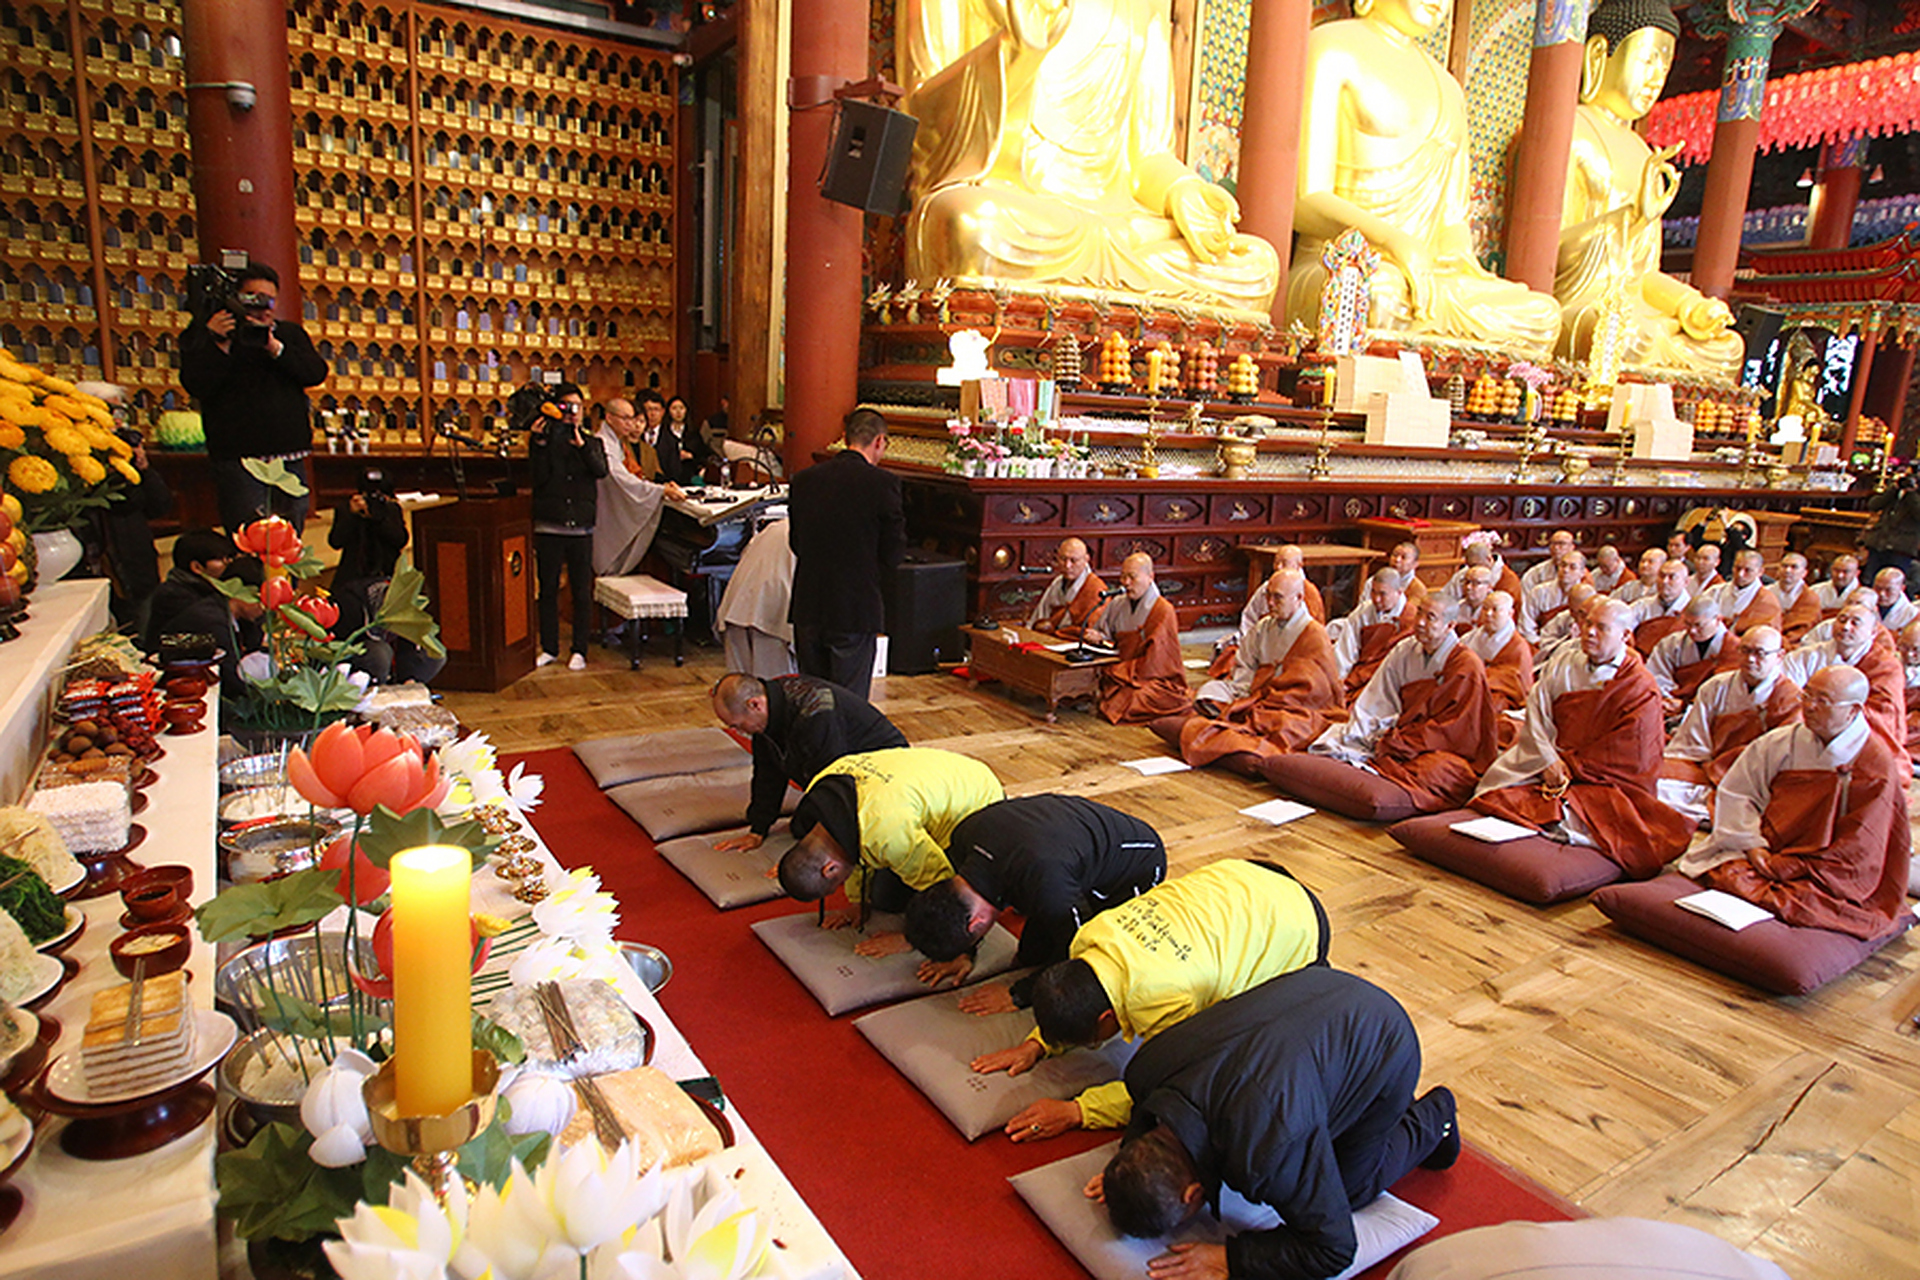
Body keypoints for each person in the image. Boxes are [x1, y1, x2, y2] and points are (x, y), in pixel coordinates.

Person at [899, 0, 1280, 312]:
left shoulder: (1142, 7)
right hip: (1015, 205)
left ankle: (1118, 247)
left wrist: (1182, 190)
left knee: (1256, 264)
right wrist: (1016, 52)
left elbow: (1148, 154)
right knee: (974, 225)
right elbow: (922, 124)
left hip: (1116, 220)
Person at [1093, 968, 1458, 1280]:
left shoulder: (1268, 1149)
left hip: (1385, 1040)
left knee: (1349, 1189)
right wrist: (1130, 1171)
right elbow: (1145, 1117)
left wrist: (1231, 1260)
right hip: (1316, 993)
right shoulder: (1145, 1070)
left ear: (1193, 1195)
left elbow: (1334, 1248)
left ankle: (1435, 1116)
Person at [970, 859, 1330, 1141]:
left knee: (1243, 1043)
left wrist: (1078, 1112)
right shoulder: (1089, 939)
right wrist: (1037, 1044)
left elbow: (1166, 1087)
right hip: (1243, 874)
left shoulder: (1168, 999)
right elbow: (1074, 989)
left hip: (1298, 922)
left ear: (1106, 1017)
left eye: (1091, 1041)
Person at [1289, 0, 1560, 352]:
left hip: (1426, 276)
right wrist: (1393, 243)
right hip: (1343, 263)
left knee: (1542, 315)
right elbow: (1304, 201)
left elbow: (1452, 221)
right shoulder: (1332, 48)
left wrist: (1459, 255)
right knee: (1374, 295)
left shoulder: (1449, 89)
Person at [1553, 0, 1742, 378]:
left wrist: (1691, 305)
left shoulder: (1645, 154)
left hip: (1632, 310)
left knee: (1727, 349)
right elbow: (1548, 253)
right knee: (1621, 337)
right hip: (1579, 304)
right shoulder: (1565, 131)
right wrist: (1632, 217)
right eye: (1647, 60)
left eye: (1665, 65)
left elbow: (1641, 275)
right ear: (1598, 55)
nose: (1656, 77)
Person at [1677, 666, 1910, 939]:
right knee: (1726, 872)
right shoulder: (1783, 741)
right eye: (1807, 695)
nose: (1808, 707)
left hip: (1826, 867)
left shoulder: (1875, 763)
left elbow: (1863, 845)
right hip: (1767, 848)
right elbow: (1737, 793)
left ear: (1853, 710)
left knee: (1816, 903)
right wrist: (1753, 846)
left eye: (1822, 700)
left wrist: (1794, 866)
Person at [1469, 599, 1693, 877]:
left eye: (1601, 627)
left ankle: (1561, 826)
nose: (1589, 632)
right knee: (1491, 788)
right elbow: (1537, 713)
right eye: (1587, 623)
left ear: (1625, 635)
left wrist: (1569, 767)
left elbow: (1631, 755)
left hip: (1603, 779)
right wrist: (1548, 760)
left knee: (1593, 818)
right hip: (1548, 759)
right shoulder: (1565, 660)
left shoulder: (1638, 686)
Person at [902, 795, 1167, 1007]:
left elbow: (1078, 949)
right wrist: (965, 953)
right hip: (1059, 846)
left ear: (976, 923)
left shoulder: (1048, 886)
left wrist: (1018, 995)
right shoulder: (964, 839)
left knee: (1090, 955)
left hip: (1137, 862)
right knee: (1031, 955)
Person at [776, 747, 1003, 942]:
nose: (841, 886)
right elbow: (850, 843)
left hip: (979, 800)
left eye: (837, 884)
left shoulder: (887, 833)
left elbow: (944, 889)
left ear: (830, 869)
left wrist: (911, 939)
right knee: (884, 898)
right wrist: (858, 901)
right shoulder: (820, 789)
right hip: (942, 773)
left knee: (894, 898)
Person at [178, 261, 330, 534]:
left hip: (289, 457)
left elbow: (315, 372)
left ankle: (287, 581)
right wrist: (218, 342)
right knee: (249, 537)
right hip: (240, 462)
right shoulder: (204, 336)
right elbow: (197, 384)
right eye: (253, 299)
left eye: (269, 300)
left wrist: (274, 347)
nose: (263, 308)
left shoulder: (288, 334)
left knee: (290, 539)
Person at [1308, 595, 1496, 812]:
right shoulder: (1405, 649)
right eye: (1419, 613)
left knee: (1439, 772)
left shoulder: (1465, 665)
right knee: (1335, 737)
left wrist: (1405, 741)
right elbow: (1379, 696)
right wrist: (1378, 730)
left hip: (1443, 746)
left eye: (1431, 617)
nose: (1420, 622)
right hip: (1402, 734)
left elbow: (1458, 728)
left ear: (1450, 625)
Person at [710, 672, 908, 852]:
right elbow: (768, 772)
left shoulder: (815, 713)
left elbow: (833, 782)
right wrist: (758, 829)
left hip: (886, 775)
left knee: (807, 828)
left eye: (737, 725)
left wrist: (811, 855)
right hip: (840, 765)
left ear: (755, 704)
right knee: (802, 824)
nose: (739, 732)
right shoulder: (767, 708)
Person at [786, 407, 905, 701]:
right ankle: (846, 749)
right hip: (855, 607)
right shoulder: (882, 484)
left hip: (809, 603)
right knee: (849, 702)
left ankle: (815, 747)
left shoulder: (804, 480)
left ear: (845, 437)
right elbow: (893, 554)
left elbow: (796, 543)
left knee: (813, 699)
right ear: (879, 441)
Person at [1175, 568, 1345, 767]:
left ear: (1298, 598)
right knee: (1208, 692)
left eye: (1278, 598)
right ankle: (1242, 716)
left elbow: (1317, 691)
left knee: (1286, 726)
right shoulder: (1265, 626)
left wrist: (1274, 695)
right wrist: (1247, 691)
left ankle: (1244, 726)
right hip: (1255, 692)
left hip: (1291, 705)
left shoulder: (1313, 634)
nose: (1270, 603)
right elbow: (1245, 662)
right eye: (1268, 596)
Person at [1657, 626, 1800, 825]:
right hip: (1708, 765)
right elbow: (1694, 738)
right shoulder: (1716, 686)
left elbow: (1779, 757)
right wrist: (1707, 766)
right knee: (1651, 782)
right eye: (1745, 651)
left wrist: (1727, 768)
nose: (1750, 659)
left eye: (1759, 653)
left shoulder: (1790, 698)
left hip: (1750, 777)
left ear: (1779, 656)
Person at [528, 383, 607, 670]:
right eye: (565, 407)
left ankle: (579, 649)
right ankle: (549, 647)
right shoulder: (544, 443)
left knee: (581, 591)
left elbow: (601, 471)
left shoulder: (592, 443)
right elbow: (537, 479)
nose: (571, 413)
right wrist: (539, 444)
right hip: (550, 525)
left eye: (577, 407)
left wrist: (582, 446)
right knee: (547, 589)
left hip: (582, 527)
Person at [1782, 600, 1908, 771]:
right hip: (1805, 723)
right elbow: (1784, 691)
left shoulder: (1885, 665)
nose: (1846, 627)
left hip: (1855, 735)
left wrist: (1831, 713)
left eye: (1855, 623)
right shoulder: (1808, 656)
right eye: (1841, 620)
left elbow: (1883, 711)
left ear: (1872, 633)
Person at [1090, 552, 1193, 725]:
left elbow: (1158, 664)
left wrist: (1122, 671)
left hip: (1153, 679)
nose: (1126, 583)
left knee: (1136, 698)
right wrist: (1098, 638)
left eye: (1132, 577)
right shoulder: (1117, 603)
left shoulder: (1162, 610)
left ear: (1150, 577)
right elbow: (1107, 635)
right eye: (1123, 577)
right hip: (1124, 672)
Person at [591, 396, 686, 578]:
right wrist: (660, 491)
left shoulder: (617, 442)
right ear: (609, 418)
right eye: (624, 418)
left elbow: (634, 476)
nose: (630, 424)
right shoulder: (603, 443)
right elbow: (621, 479)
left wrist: (661, 486)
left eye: (632, 418)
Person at [1206, 548, 1325, 680]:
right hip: (1259, 657)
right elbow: (1249, 618)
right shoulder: (1267, 588)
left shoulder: (1309, 600)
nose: (1271, 603)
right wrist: (1249, 642)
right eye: (1276, 562)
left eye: (1284, 563)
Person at [714, 519, 797, 679]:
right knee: (773, 694)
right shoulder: (818, 532)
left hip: (737, 608)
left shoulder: (777, 526)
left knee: (741, 691)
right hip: (772, 616)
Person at [1646, 595, 1737, 717]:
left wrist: (1686, 706)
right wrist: (1669, 698)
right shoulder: (1673, 642)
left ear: (1718, 620)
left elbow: (1726, 690)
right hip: (1668, 703)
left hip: (1706, 711)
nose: (1692, 631)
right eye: (1687, 624)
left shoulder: (1733, 648)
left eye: (1699, 625)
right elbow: (1655, 673)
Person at [1329, 569, 1413, 700]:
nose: (1376, 599)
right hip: (1358, 672)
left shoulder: (1410, 618)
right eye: (1373, 592)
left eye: (1383, 594)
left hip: (1385, 679)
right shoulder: (1364, 611)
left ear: (1399, 592)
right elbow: (1347, 647)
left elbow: (1397, 663)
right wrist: (1339, 680)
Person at [1463, 590, 1534, 723]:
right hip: (1471, 684)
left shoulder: (1517, 646)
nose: (1488, 614)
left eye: (1495, 610)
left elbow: (1517, 682)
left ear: (1510, 613)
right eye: (1485, 608)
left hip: (1500, 693)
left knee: (1487, 709)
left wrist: (1484, 677)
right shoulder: (1472, 637)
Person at [1027, 538, 1106, 637]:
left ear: (1086, 560)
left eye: (1073, 561)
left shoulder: (1095, 588)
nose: (1067, 566)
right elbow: (1040, 616)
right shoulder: (1057, 583)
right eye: (1063, 559)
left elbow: (1096, 631)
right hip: (1052, 639)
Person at [1861, 465, 1920, 584]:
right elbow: (1873, 505)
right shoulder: (1895, 492)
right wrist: (1894, 488)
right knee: (1871, 580)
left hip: (1901, 547)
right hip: (1879, 542)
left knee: (1892, 583)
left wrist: (1912, 494)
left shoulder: (1915, 496)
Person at [1705, 549, 1781, 635]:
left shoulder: (1766, 600)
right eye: (1737, 568)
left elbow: (1767, 634)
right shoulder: (1715, 591)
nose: (1740, 574)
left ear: (1760, 572)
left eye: (1748, 570)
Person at [1520, 550, 1588, 644]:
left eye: (1572, 567)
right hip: (1539, 644)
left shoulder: (1587, 596)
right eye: (1563, 565)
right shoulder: (1539, 592)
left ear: (1582, 572)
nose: (1566, 570)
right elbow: (1526, 626)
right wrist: (1540, 645)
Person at [1629, 556, 1691, 655]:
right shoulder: (1641, 605)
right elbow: (1623, 629)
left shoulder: (1692, 609)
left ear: (1686, 582)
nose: (1665, 581)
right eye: (1661, 576)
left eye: (1672, 577)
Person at [1437, 537, 1523, 609]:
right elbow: (1445, 598)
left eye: (1476, 565)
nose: (1472, 570)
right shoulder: (1464, 573)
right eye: (1469, 566)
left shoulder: (1509, 581)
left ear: (1489, 559)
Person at [1773, 552, 1820, 645]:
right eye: (1784, 566)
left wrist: (1785, 640)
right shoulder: (1766, 592)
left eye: (1794, 567)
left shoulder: (1810, 597)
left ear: (1804, 573)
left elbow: (1806, 627)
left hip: (1796, 642)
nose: (1788, 570)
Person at [1520, 530, 1579, 595]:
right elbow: (1525, 596)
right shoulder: (1536, 572)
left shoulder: (1582, 574)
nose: (1556, 548)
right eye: (1553, 543)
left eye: (1561, 543)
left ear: (1572, 547)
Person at [1446, 564, 1494, 632]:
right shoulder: (1457, 607)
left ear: (1489, 587)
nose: (1468, 587)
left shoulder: (1495, 610)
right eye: (1467, 582)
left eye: (1475, 583)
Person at [1870, 567, 1918, 631]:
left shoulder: (1913, 615)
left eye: (1888, 590)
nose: (1882, 594)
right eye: (1878, 588)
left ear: (1902, 588)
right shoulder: (1864, 604)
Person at [1813, 554, 1861, 618]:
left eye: (1846, 572)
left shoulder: (1863, 596)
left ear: (1856, 573)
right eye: (1836, 570)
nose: (1840, 575)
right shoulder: (1815, 590)